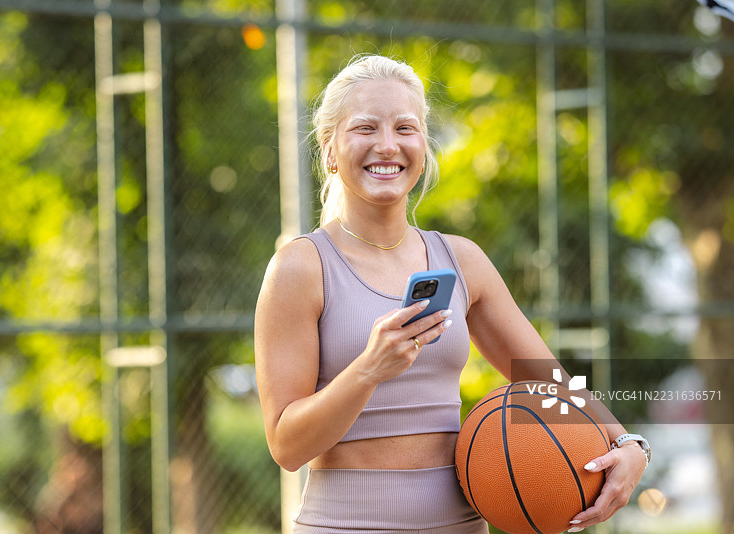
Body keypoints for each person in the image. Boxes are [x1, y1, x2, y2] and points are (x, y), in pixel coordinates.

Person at [255, 54, 647, 534]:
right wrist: (369, 368)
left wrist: (626, 442)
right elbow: (286, 447)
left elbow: (551, 383)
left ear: (423, 144)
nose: (387, 145)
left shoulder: (461, 260)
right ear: (330, 148)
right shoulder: (301, 267)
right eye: (365, 128)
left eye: (405, 128)